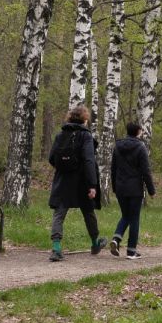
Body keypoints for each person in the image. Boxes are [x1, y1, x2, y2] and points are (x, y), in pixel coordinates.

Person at [48, 106, 107, 262]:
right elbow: (89, 160)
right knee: (88, 212)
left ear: (70, 118)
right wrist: (92, 185)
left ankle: (56, 248)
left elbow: (52, 158)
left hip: (63, 180)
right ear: (85, 119)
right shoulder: (85, 136)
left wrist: (64, 168)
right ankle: (95, 244)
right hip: (82, 181)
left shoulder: (60, 135)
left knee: (59, 213)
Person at [109, 122, 156, 260]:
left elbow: (113, 169)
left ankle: (116, 239)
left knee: (126, 215)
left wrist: (114, 187)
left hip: (120, 187)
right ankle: (131, 251)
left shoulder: (117, 146)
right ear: (138, 132)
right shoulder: (140, 147)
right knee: (134, 218)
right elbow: (146, 171)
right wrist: (151, 190)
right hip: (135, 188)